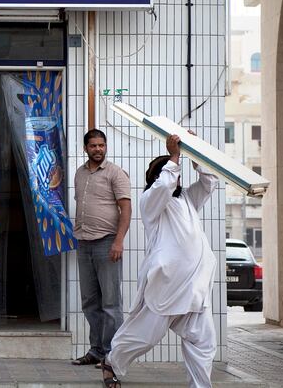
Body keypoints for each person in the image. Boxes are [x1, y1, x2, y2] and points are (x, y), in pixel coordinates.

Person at [102, 133, 217, 388]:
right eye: (171, 172)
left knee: (203, 340)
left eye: (177, 173)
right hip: (166, 286)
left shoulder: (186, 198)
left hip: (193, 287)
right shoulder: (150, 202)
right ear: (158, 177)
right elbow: (163, 186)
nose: (176, 178)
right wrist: (174, 156)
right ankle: (111, 362)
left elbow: (209, 182)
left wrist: (196, 155)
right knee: (144, 338)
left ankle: (200, 386)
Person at [71, 129, 132, 366]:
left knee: (111, 303)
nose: (98, 149)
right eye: (93, 146)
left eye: (102, 145)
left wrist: (118, 241)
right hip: (84, 243)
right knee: (89, 302)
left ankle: (111, 355)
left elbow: (126, 210)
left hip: (107, 243)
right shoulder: (80, 173)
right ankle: (96, 351)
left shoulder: (116, 173)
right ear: (85, 148)